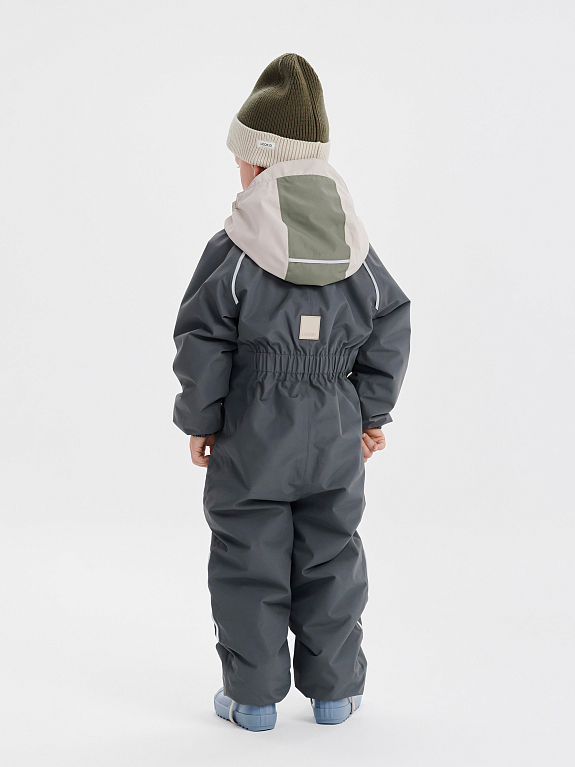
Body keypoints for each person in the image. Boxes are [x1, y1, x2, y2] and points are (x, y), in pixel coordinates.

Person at [172, 53, 410, 731]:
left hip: (253, 428)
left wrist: (201, 419)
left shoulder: (234, 250)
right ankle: (334, 694)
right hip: (335, 424)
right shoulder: (357, 249)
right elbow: (390, 321)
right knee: (332, 553)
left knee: (249, 555)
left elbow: (202, 339)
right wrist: (370, 412)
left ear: (257, 165)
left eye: (240, 162)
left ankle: (252, 700)